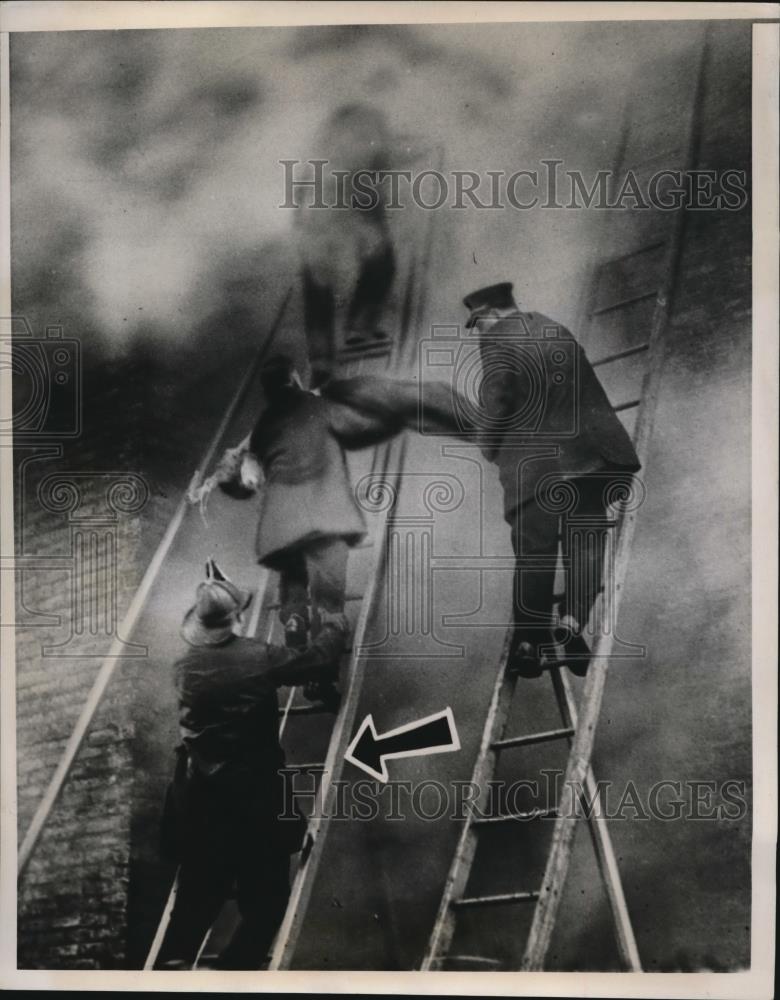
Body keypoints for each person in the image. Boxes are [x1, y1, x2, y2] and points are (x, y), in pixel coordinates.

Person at [193, 355, 468, 658]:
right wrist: (396, 421)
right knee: (329, 594)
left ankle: (295, 620)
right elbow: (358, 428)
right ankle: (321, 665)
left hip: (279, 527)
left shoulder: (262, 426)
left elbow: (247, 472)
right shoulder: (317, 407)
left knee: (293, 573)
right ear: (295, 379)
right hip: (324, 517)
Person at [156, 558, 350, 970]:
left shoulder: (182, 668)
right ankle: (230, 974)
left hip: (199, 806)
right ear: (236, 618)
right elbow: (314, 661)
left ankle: (170, 972)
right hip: (254, 802)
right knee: (266, 906)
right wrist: (334, 626)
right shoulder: (257, 657)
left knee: (193, 907)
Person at [463, 282, 641, 678]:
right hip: (594, 458)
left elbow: (497, 401)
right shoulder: (554, 328)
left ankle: (529, 642)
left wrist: (487, 446)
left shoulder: (497, 341)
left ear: (489, 315)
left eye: (477, 323)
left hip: (538, 468)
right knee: (587, 540)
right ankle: (572, 623)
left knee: (534, 550)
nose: (477, 331)